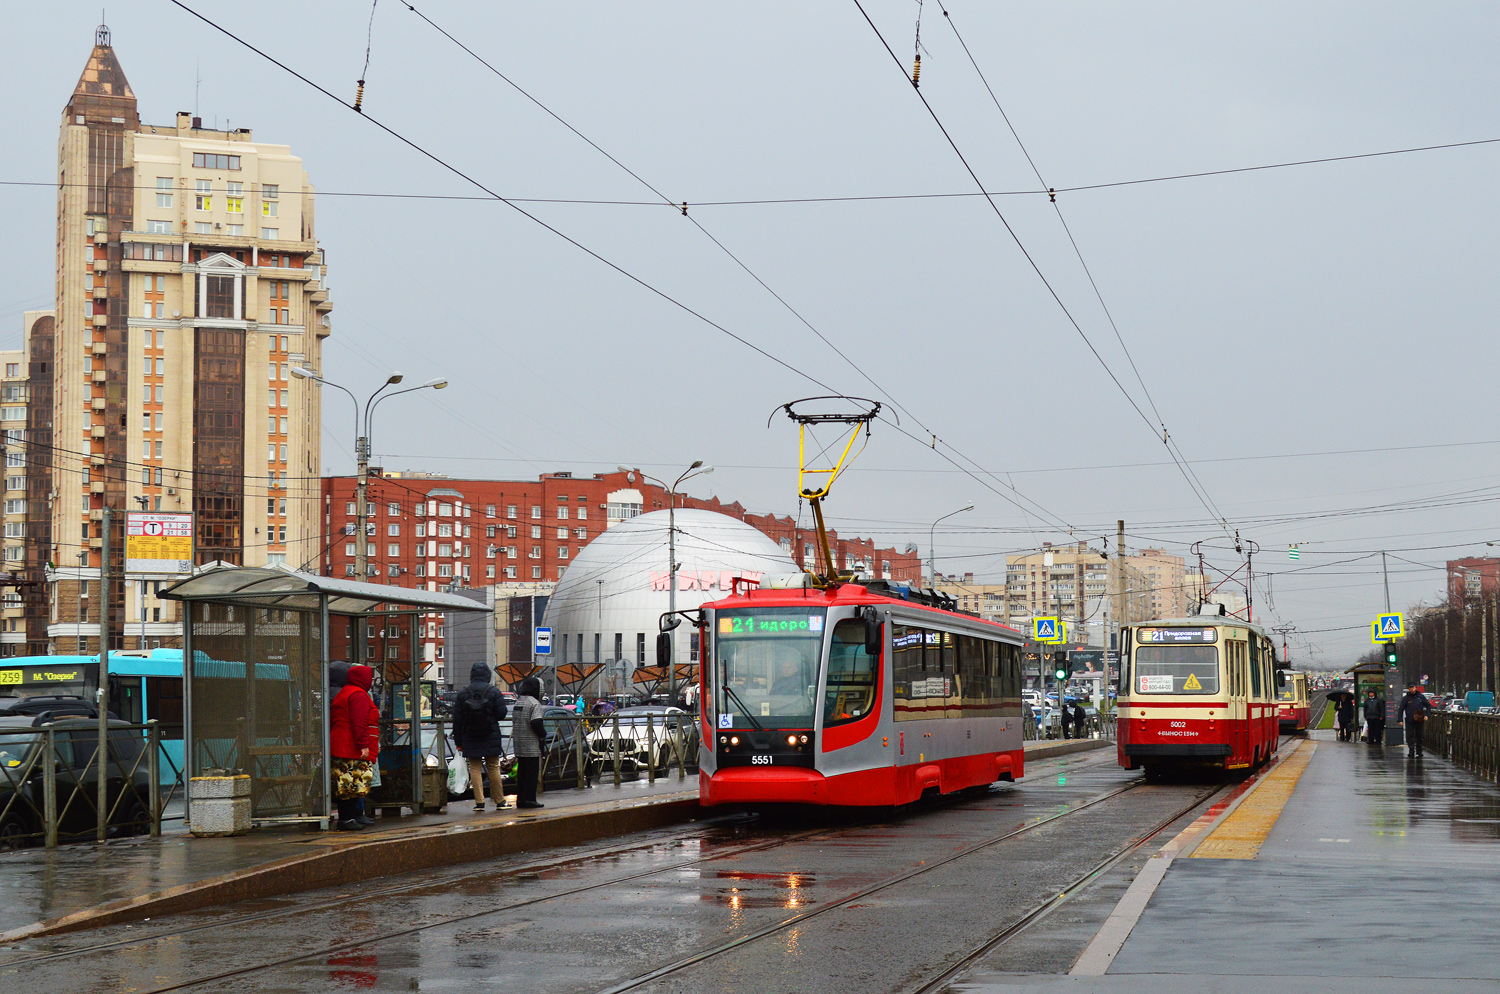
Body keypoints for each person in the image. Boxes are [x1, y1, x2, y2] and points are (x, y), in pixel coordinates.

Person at [452, 662, 509, 812]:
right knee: (493, 767)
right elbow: (502, 713)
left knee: (475, 768)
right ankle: (500, 801)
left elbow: (457, 720)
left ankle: (479, 802)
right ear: (487, 675)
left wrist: (459, 741)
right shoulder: (494, 691)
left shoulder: (463, 693)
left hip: (470, 735)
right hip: (490, 734)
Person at [329, 663, 377, 830]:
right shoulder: (358, 694)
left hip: (342, 744)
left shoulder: (346, 692)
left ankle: (352, 817)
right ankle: (347, 819)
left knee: (347, 783)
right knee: (351, 784)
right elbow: (359, 722)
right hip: (350, 747)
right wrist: (363, 745)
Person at [511, 676, 548, 809]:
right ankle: (530, 799)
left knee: (522, 773)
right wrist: (543, 734)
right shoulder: (534, 704)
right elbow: (536, 721)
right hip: (531, 744)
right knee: (531, 773)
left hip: (519, 743)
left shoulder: (519, 702)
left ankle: (520, 799)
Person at [1399, 684, 1433, 758]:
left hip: (1419, 719)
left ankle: (1419, 750)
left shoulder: (1420, 697)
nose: (1412, 689)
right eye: (1410, 688)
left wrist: (1427, 715)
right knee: (1410, 736)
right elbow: (1401, 709)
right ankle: (1411, 750)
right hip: (1409, 719)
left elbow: (1428, 705)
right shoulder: (1406, 698)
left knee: (1419, 735)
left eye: (1413, 687)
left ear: (1415, 688)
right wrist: (1400, 720)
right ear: (1409, 689)